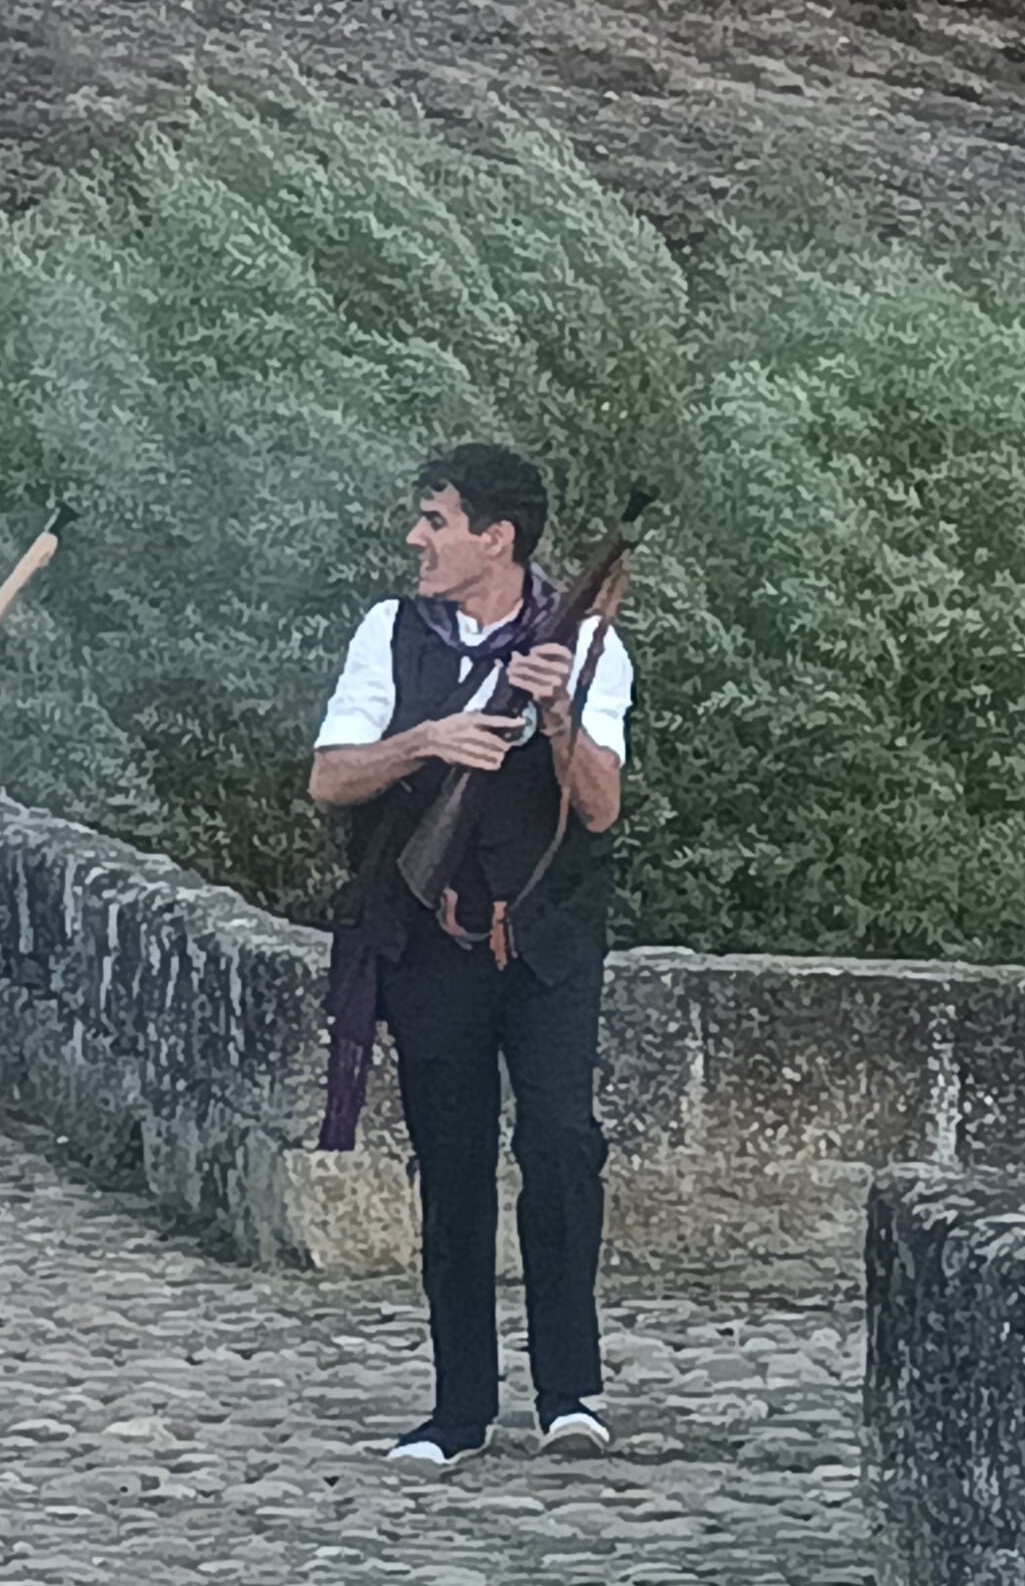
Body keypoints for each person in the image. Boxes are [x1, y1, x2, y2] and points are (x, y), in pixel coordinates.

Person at [307, 444, 633, 1470]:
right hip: (430, 940)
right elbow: (330, 777)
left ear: (497, 538)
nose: (418, 537)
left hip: (545, 948)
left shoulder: (587, 645)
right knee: (452, 1170)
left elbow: (602, 806)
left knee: (561, 1148)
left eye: (437, 520)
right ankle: (458, 1409)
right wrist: (428, 740)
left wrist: (555, 714)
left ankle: (570, 1392)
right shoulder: (387, 633)